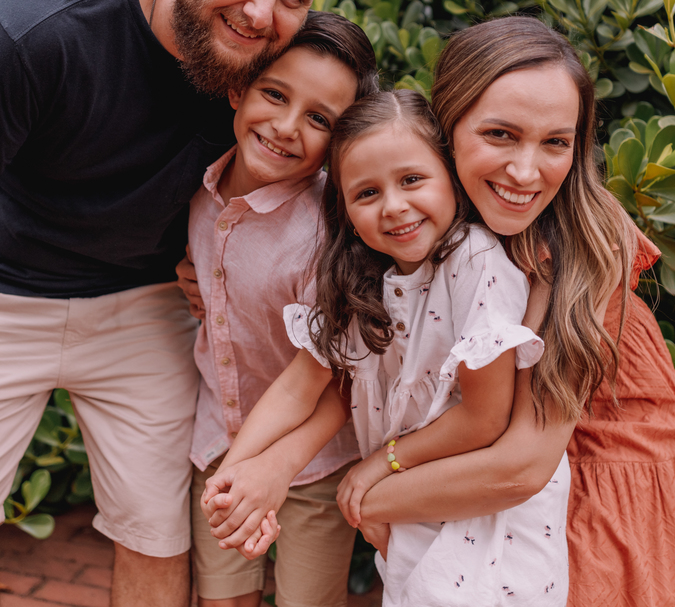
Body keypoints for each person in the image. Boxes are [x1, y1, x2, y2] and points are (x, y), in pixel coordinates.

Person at [0, 0, 347, 607]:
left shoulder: (268, 69)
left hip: (146, 302)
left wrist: (208, 264)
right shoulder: (39, 26)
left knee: (155, 533)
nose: (262, 12)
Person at [195, 17, 675, 606]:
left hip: (590, 473)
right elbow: (341, 372)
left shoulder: (573, 243)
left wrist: (372, 491)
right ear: (446, 129)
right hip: (463, 483)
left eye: (556, 142)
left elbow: (518, 466)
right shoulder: (423, 229)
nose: (525, 171)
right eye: (500, 135)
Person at [203, 90, 565, 606]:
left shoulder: (475, 261)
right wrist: (232, 476)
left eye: (412, 180)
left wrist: (380, 464)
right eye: (367, 193)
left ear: (451, 178)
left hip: (483, 519)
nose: (394, 206)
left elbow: (484, 418)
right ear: (347, 211)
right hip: (411, 506)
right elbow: (298, 388)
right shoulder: (365, 279)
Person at [187, 10, 378, 607]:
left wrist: (265, 467)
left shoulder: (330, 234)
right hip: (218, 439)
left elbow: (338, 375)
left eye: (320, 119)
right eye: (275, 94)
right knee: (221, 597)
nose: (287, 127)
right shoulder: (198, 190)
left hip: (315, 462)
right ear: (238, 88)